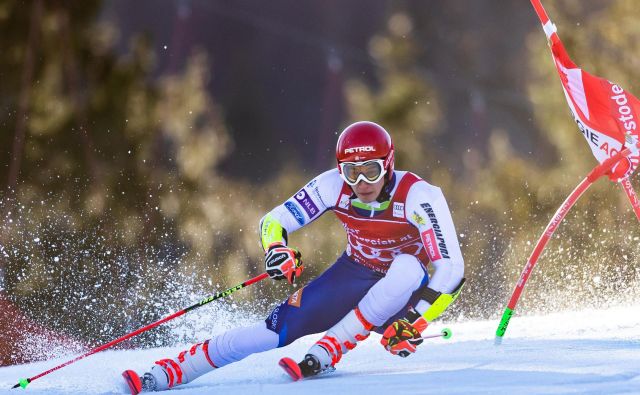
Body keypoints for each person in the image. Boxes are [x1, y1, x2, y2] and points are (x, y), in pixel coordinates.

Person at [123, 121, 465, 394]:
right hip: (353, 274)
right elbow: (274, 220)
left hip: (403, 299)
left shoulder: (419, 196)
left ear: (388, 165)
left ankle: (330, 347)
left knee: (406, 266)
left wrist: (415, 320)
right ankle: (171, 371)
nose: (361, 182)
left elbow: (451, 269)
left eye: (371, 171)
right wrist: (276, 248)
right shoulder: (333, 186)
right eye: (352, 172)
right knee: (269, 333)